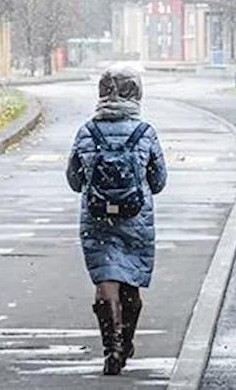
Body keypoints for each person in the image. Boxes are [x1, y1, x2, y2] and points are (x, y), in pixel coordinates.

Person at [66, 65, 167, 375]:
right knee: (131, 283)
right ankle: (126, 340)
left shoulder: (87, 131)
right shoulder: (144, 132)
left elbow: (74, 179)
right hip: (136, 217)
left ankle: (112, 347)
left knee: (106, 278)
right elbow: (159, 180)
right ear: (135, 93)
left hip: (97, 218)